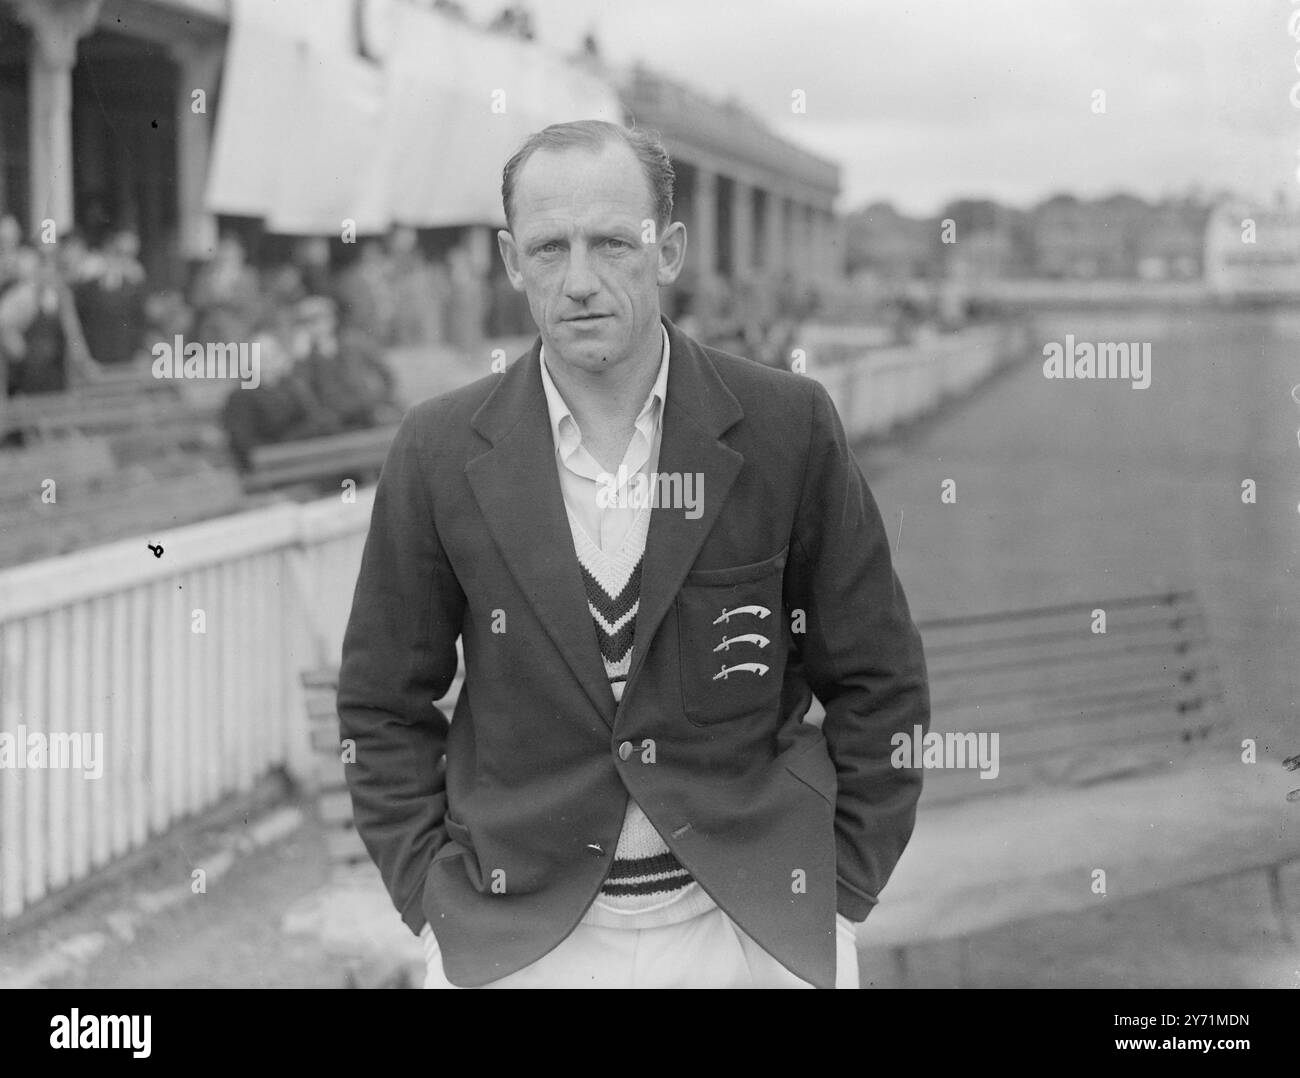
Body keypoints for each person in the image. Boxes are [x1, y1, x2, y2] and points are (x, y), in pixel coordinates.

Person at [337, 120, 930, 989]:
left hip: (750, 930)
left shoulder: (785, 426)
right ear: (510, 262)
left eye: (613, 242)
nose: (579, 281)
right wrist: (434, 905)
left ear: (669, 250)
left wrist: (841, 889)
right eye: (549, 249)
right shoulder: (436, 450)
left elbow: (880, 680)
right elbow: (383, 704)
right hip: (518, 939)